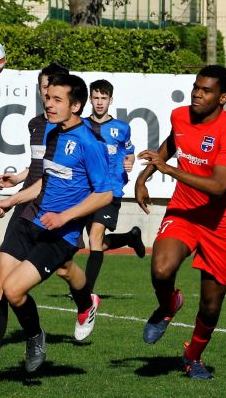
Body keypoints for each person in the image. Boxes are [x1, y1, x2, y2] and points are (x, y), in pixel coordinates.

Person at [0, 74, 112, 388]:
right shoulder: (54, 133)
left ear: (76, 105)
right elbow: (46, 180)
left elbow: (104, 194)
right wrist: (12, 199)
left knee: (15, 291)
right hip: (32, 222)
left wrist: (65, 216)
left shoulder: (90, 142)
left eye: (57, 99)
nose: (49, 103)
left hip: (61, 235)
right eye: (48, 97)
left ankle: (35, 334)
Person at [135, 65, 226, 380]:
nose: (197, 93)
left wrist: (170, 172)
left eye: (206, 90)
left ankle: (193, 357)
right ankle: (169, 305)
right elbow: (172, 143)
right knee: (161, 269)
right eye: (196, 87)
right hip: (184, 210)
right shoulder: (180, 115)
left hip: (220, 222)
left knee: (210, 306)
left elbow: (220, 186)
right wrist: (145, 176)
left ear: (222, 98)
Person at [0, 63, 71, 351]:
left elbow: (52, 177)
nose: (46, 92)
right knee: (1, 273)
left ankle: (85, 301)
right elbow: (38, 168)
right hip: (27, 205)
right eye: (43, 86)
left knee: (66, 271)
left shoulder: (69, 132)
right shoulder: (36, 124)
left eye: (52, 86)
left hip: (51, 210)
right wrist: (17, 178)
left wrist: (10, 200)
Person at [83, 79, 145, 293]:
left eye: (104, 98)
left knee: (94, 238)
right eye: (96, 97)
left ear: (111, 100)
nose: (100, 102)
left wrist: (130, 161)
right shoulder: (80, 126)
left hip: (110, 189)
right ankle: (130, 237)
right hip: (85, 191)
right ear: (90, 99)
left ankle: (85, 292)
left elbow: (129, 152)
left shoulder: (121, 128)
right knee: (95, 243)